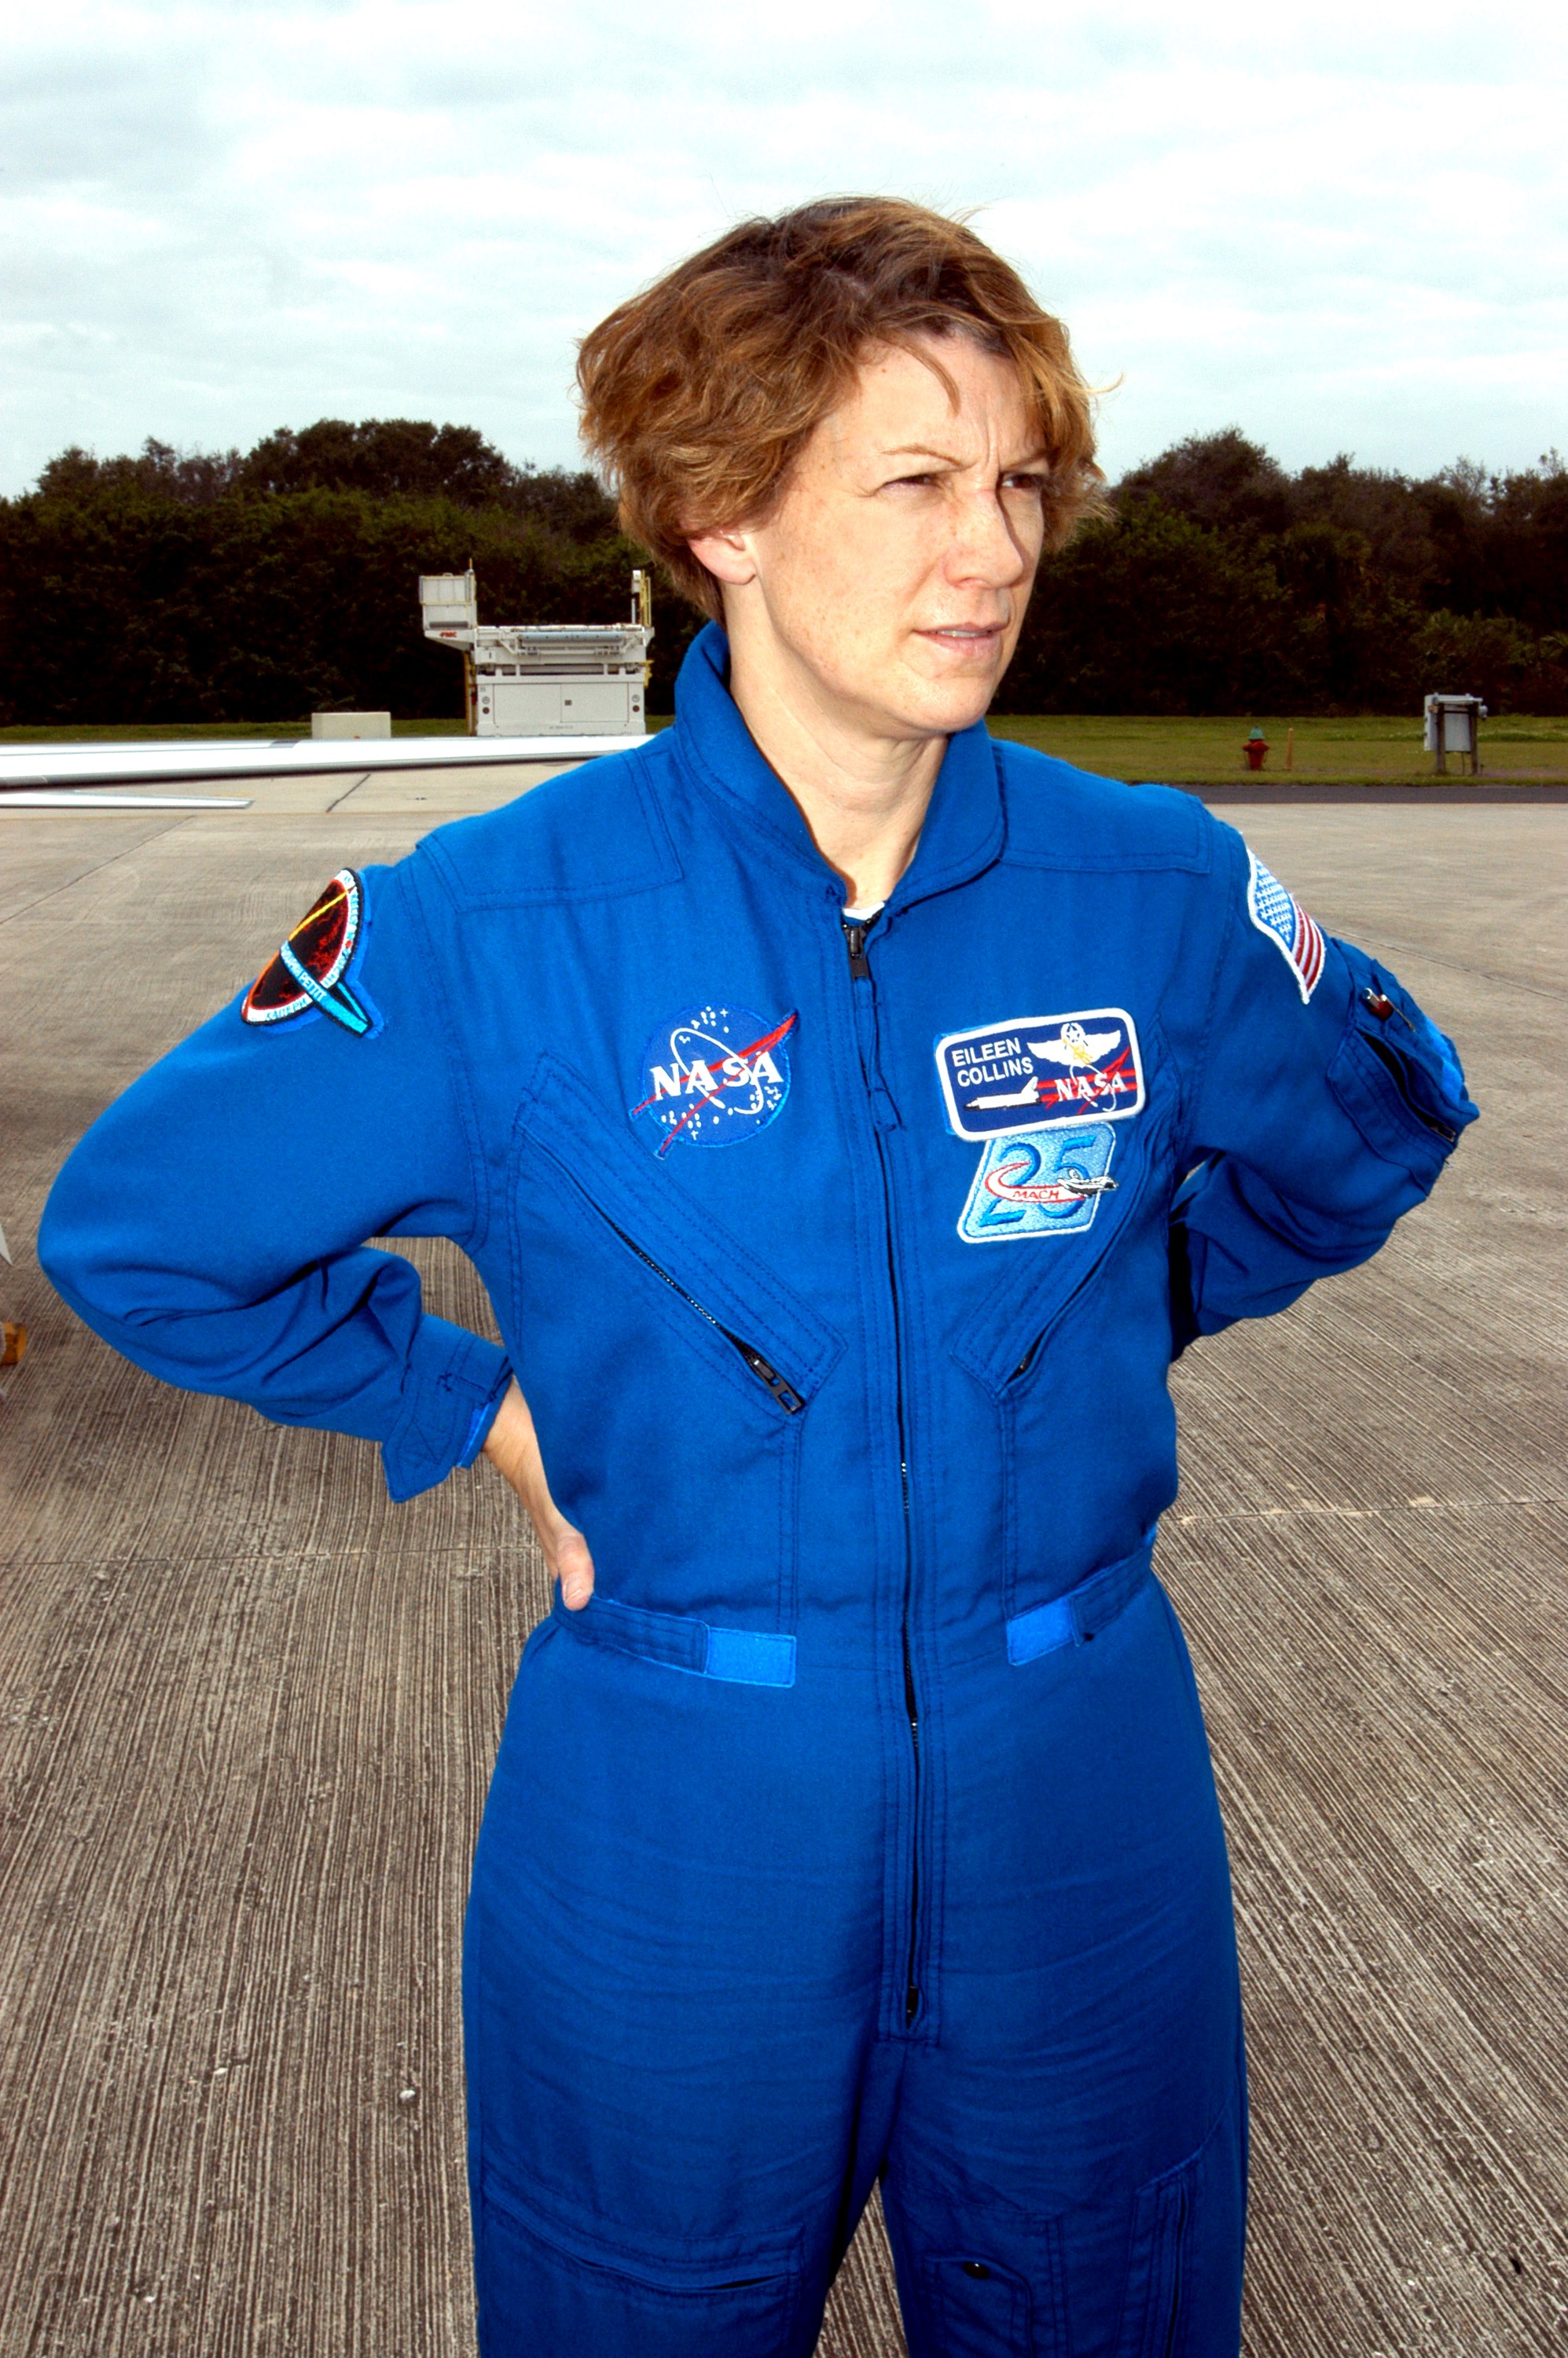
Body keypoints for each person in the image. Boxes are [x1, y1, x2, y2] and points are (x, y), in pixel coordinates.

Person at [39, 199, 1477, 2357]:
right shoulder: (489, 929)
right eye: (915, 483)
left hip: (1078, 1788)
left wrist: (1130, 1303)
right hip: (674, 1815)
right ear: (721, 513)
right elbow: (141, 1235)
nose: (992, 552)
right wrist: (469, 1406)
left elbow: (1373, 1123)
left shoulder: (1156, 888)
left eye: (1021, 485)